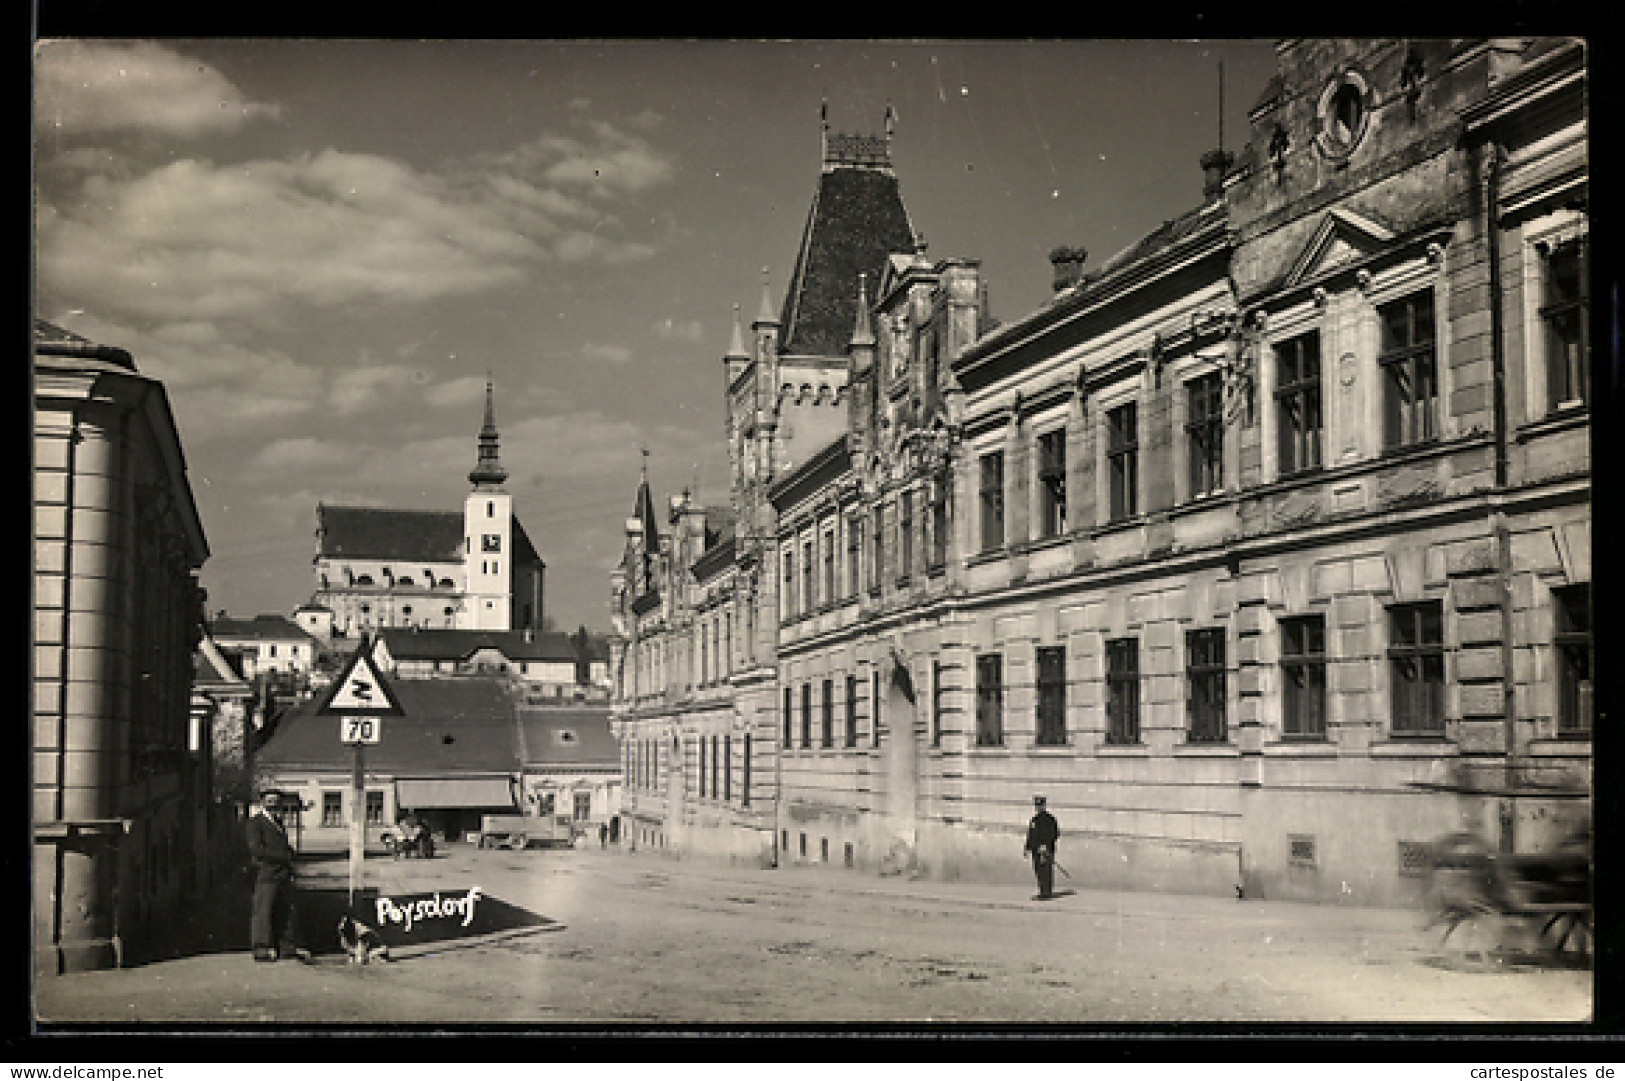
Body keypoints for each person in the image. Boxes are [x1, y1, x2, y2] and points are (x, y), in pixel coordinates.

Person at [246, 791, 310, 962]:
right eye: (270, 801)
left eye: (276, 801)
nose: (273, 804)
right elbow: (256, 849)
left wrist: (290, 854)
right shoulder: (256, 823)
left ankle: (285, 947)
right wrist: (283, 856)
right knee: (264, 910)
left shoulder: (278, 822)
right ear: (263, 803)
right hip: (266, 872)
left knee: (284, 910)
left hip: (282, 873)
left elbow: (283, 845)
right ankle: (262, 948)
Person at [1023, 795, 1060, 900]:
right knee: (1038, 870)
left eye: (1040, 805)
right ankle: (1042, 891)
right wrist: (1027, 848)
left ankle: (1047, 892)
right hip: (1035, 850)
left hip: (1045, 850)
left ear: (1044, 806)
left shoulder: (1050, 819)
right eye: (1037, 805)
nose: (1038, 808)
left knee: (1046, 870)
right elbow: (1031, 835)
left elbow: (1054, 834)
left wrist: (1045, 845)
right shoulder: (1034, 820)